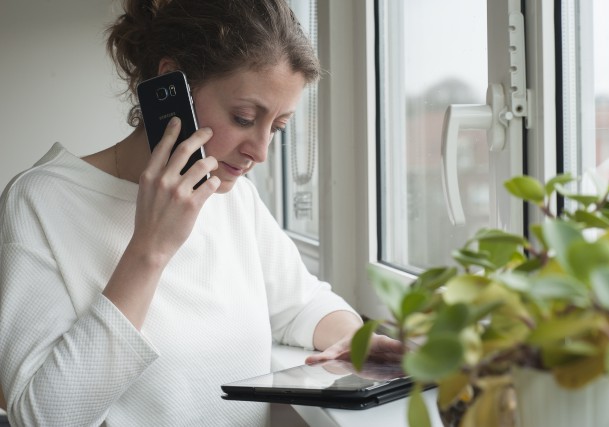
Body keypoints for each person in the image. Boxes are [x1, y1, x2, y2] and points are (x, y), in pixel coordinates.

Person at [0, 0, 402, 425]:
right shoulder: (40, 202)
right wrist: (150, 248)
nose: (260, 152)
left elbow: (301, 303)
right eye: (244, 118)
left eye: (278, 128)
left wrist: (356, 340)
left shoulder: (234, 198)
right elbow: (44, 416)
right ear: (170, 85)